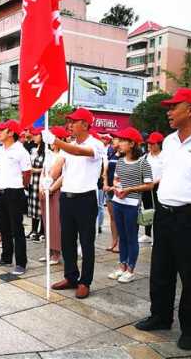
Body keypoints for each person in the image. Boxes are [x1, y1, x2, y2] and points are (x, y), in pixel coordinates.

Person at [135, 88, 191, 351]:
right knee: (160, 268)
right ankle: (160, 316)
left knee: (190, 273)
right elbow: (168, 175)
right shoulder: (170, 141)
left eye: (173, 106)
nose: (169, 111)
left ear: (190, 110)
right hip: (165, 212)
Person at [43, 108, 106, 299]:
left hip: (85, 199)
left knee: (86, 243)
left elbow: (79, 151)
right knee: (67, 241)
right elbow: (59, 165)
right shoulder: (66, 146)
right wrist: (49, 179)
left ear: (85, 125)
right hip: (67, 198)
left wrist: (55, 140)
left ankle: (85, 282)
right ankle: (71, 277)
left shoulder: (97, 145)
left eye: (74, 121)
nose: (69, 125)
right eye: (69, 122)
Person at [107, 127, 153, 284]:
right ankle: (121, 267)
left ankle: (131, 270)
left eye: (122, 141)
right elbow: (116, 179)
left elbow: (149, 185)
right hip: (118, 202)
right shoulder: (120, 161)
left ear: (132, 143)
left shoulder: (143, 163)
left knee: (131, 238)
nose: (118, 143)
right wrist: (116, 187)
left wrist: (129, 190)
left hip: (132, 205)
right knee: (122, 236)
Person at [0, 120, 31, 276]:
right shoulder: (2, 150)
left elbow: (27, 173)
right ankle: (6, 257)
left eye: (2, 130)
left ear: (11, 133)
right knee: (4, 226)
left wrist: (22, 187)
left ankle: (21, 262)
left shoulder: (21, 151)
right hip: (1, 191)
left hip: (15, 192)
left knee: (17, 228)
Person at [39, 126, 69, 264]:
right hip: (44, 190)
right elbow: (43, 171)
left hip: (56, 191)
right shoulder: (48, 153)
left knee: (56, 222)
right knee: (46, 221)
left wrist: (51, 189)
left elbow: (63, 176)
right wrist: (41, 186)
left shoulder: (64, 154)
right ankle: (49, 250)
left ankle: (57, 253)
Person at [139, 132, 164, 244]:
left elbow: (166, 173)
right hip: (146, 186)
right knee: (148, 210)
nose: (149, 145)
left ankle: (158, 236)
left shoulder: (164, 157)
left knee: (158, 212)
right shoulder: (145, 156)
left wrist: (156, 182)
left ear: (159, 144)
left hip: (158, 187)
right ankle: (147, 234)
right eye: (149, 143)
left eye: (152, 144)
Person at [27, 127, 45, 242]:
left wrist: (34, 170)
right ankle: (33, 229)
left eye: (36, 135)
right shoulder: (33, 149)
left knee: (41, 206)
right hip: (32, 180)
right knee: (33, 205)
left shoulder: (46, 151)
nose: (34, 136)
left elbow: (45, 168)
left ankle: (42, 231)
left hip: (41, 180)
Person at [103, 137, 120, 252]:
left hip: (119, 191)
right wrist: (105, 184)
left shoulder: (125, 156)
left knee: (119, 217)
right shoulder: (112, 154)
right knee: (112, 217)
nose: (113, 140)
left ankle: (120, 242)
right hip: (109, 189)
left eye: (117, 139)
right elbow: (105, 170)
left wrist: (115, 187)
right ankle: (114, 241)